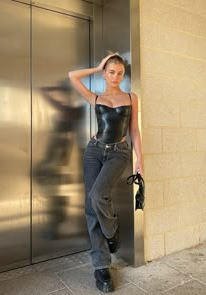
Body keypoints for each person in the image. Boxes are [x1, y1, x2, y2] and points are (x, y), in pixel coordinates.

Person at [68, 53, 143, 293]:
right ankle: (101, 267)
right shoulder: (96, 96)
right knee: (91, 205)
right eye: (111, 72)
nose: (116, 76)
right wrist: (98, 65)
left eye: (120, 72)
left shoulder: (131, 97)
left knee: (99, 194)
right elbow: (72, 76)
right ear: (104, 73)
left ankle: (112, 230)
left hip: (119, 153)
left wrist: (140, 158)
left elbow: (134, 130)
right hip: (94, 151)